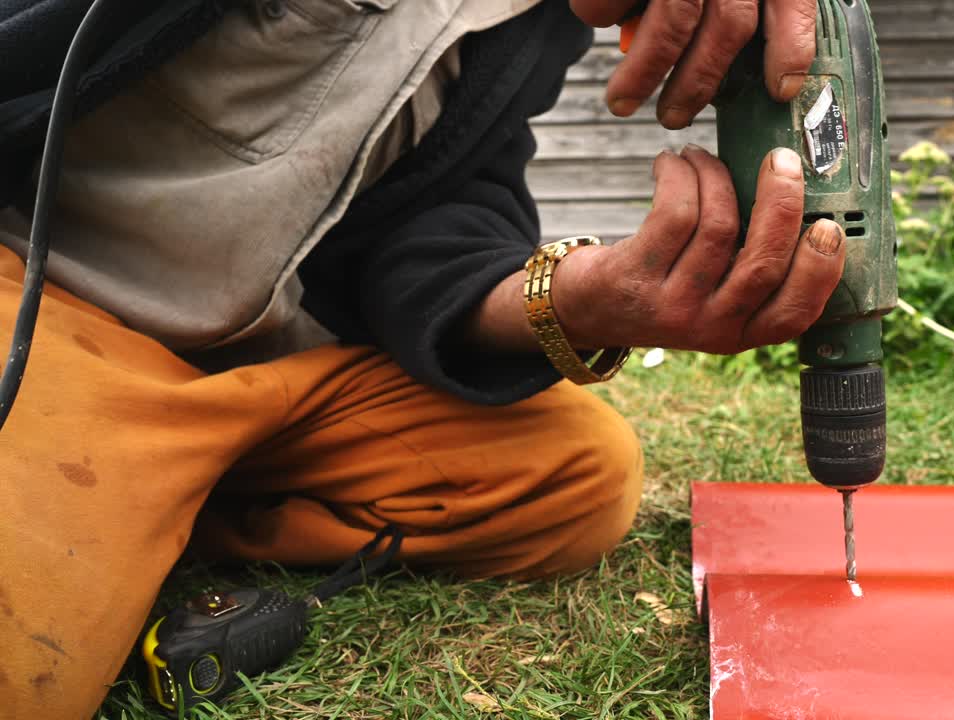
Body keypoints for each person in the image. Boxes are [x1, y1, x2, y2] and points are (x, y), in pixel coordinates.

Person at [0, 0, 846, 715]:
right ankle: (104, 490)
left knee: (577, 475)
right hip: (51, 307)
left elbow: (427, 222)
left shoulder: (531, 25)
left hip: (266, 363)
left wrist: (573, 297)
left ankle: (154, 499)